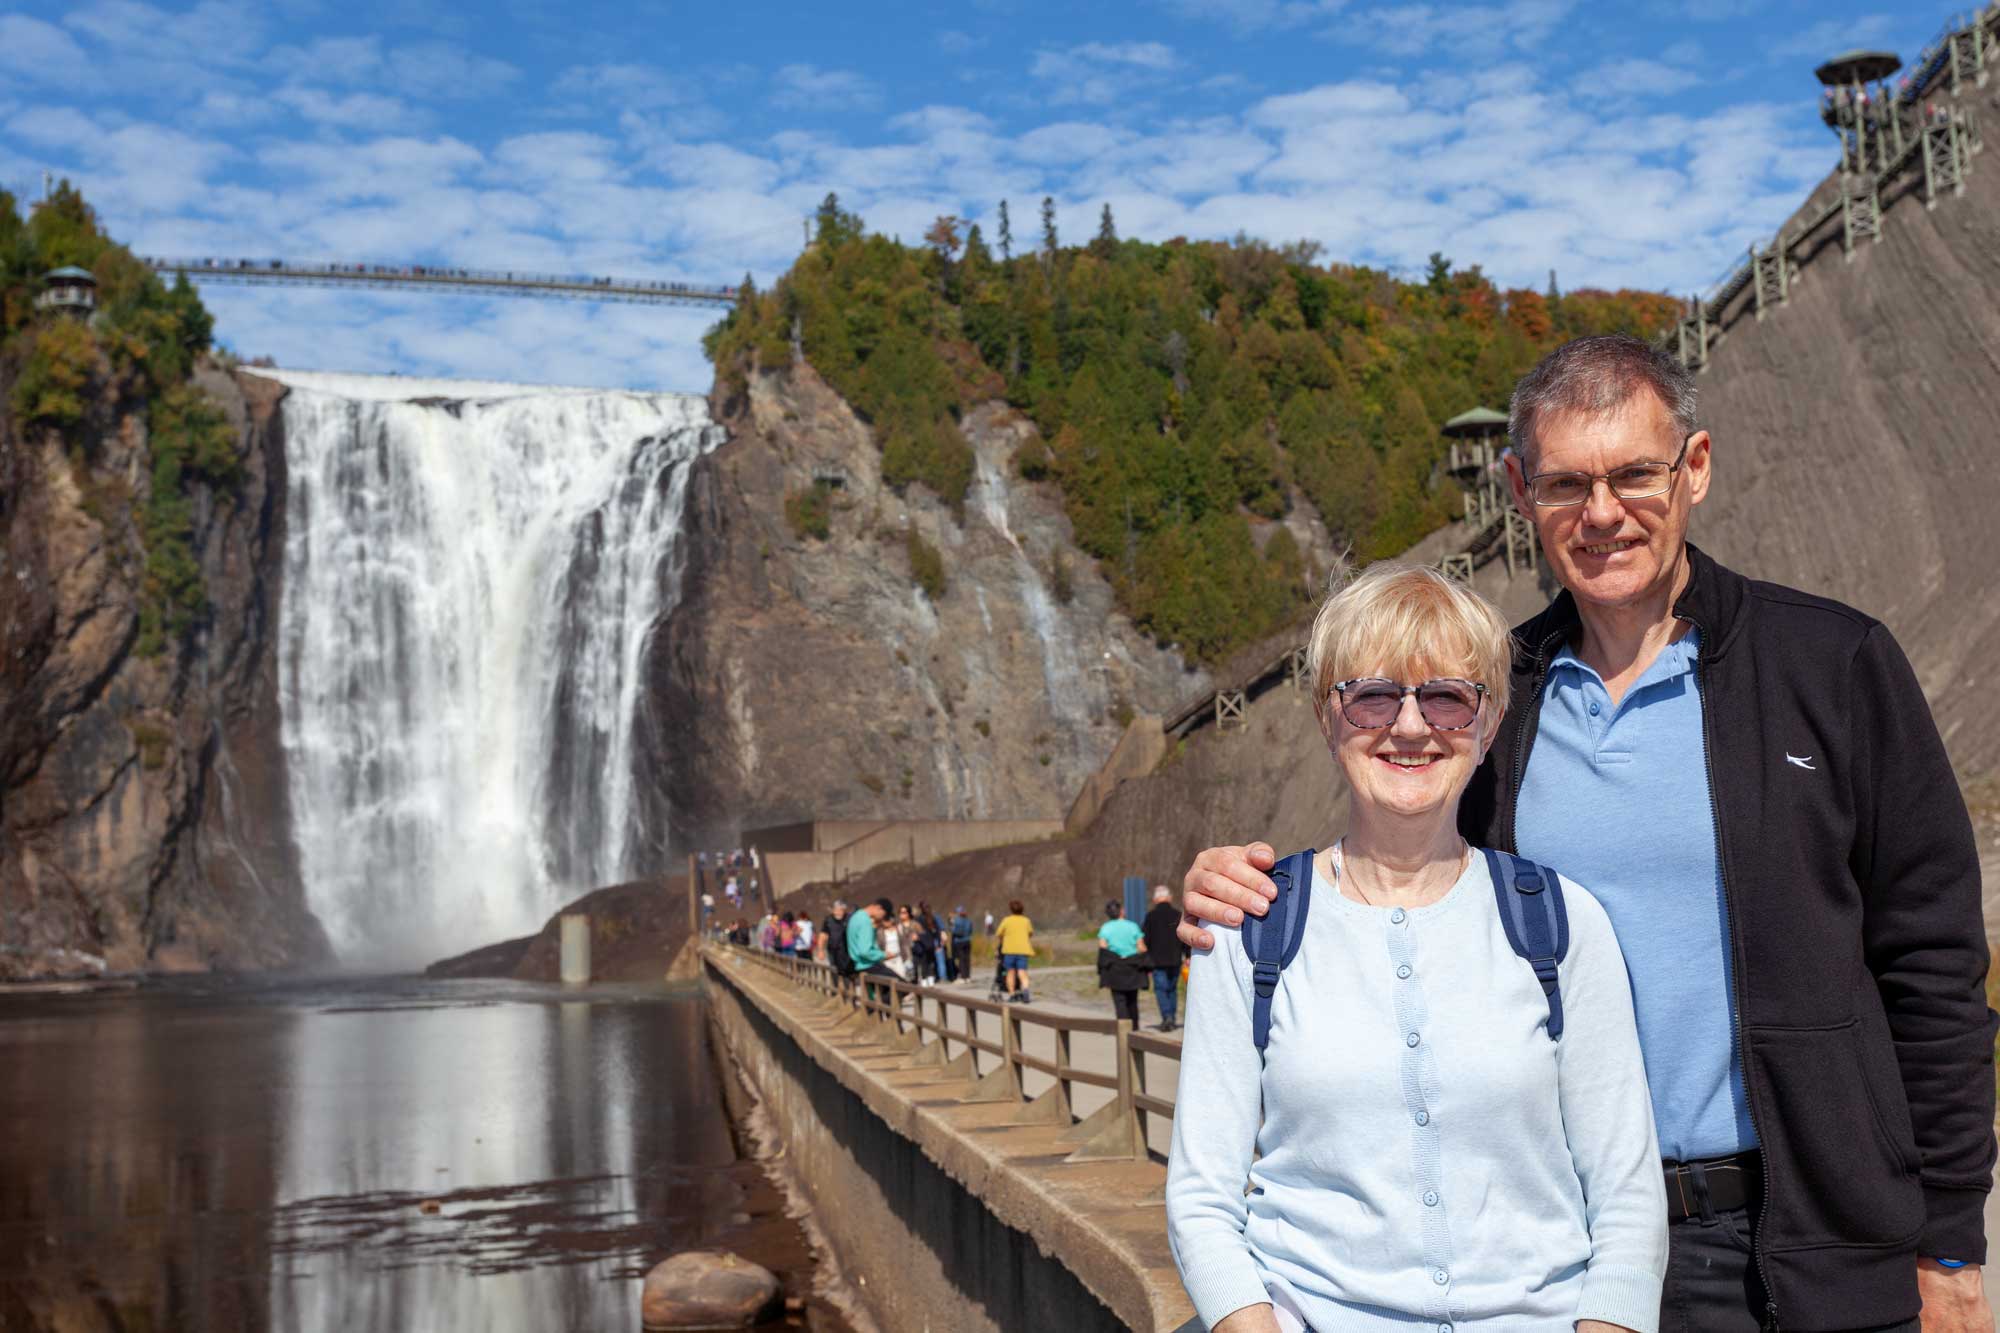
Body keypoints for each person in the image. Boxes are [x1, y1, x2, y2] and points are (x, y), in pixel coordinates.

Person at [1174, 334, 1996, 1332]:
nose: (1602, 513)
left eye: (1633, 474)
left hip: (1818, 1234)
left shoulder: (1829, 665)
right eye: (1566, 483)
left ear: (1692, 466)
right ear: (1519, 490)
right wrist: (1243, 880)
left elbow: (1930, 961)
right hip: (1580, 1255)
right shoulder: (1490, 699)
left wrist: (1947, 1238)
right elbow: (1404, 863)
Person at [1168, 560, 1664, 1333]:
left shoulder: (1562, 923)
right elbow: (1202, 1197)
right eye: (1371, 696)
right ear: (1327, 716)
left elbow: (1628, 1197)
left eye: (1446, 697)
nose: (1409, 726)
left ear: (1489, 721)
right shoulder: (1251, 927)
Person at [1141, 885, 1186, 1032]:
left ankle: (1166, 1017)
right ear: (1170, 898)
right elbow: (1184, 937)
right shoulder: (1178, 915)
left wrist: (1145, 957)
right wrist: (1188, 955)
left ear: (1155, 899)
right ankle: (1171, 1017)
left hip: (1157, 960)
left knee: (1161, 989)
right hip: (1175, 958)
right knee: (1172, 989)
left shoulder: (1150, 916)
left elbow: (1145, 940)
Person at [1095, 899, 1147, 1026]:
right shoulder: (1132, 926)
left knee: (1119, 1000)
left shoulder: (1105, 928)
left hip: (1115, 968)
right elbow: (1141, 947)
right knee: (1132, 1000)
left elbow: (1103, 947)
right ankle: (1135, 1028)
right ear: (1122, 911)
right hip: (1132, 967)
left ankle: (1123, 1028)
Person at [994, 900, 1035, 1003]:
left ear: (1011, 909)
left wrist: (1005, 939)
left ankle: (1012, 995)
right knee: (1022, 972)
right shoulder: (1026, 921)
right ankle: (1025, 989)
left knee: (1010, 972)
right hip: (1023, 950)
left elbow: (998, 933)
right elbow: (1030, 933)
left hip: (1009, 950)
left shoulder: (1006, 920)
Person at [823, 901, 853, 975]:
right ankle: (836, 985)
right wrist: (820, 949)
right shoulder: (828, 920)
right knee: (834, 970)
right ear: (833, 910)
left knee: (847, 971)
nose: (839, 912)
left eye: (842, 910)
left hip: (846, 950)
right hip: (832, 950)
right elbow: (823, 934)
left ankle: (847, 985)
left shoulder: (849, 918)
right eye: (837, 909)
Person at [949, 906, 975, 983]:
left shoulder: (956, 921)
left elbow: (955, 931)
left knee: (961, 960)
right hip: (968, 941)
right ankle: (967, 976)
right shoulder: (969, 920)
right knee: (967, 959)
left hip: (959, 941)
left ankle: (962, 977)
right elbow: (970, 931)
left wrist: (951, 926)